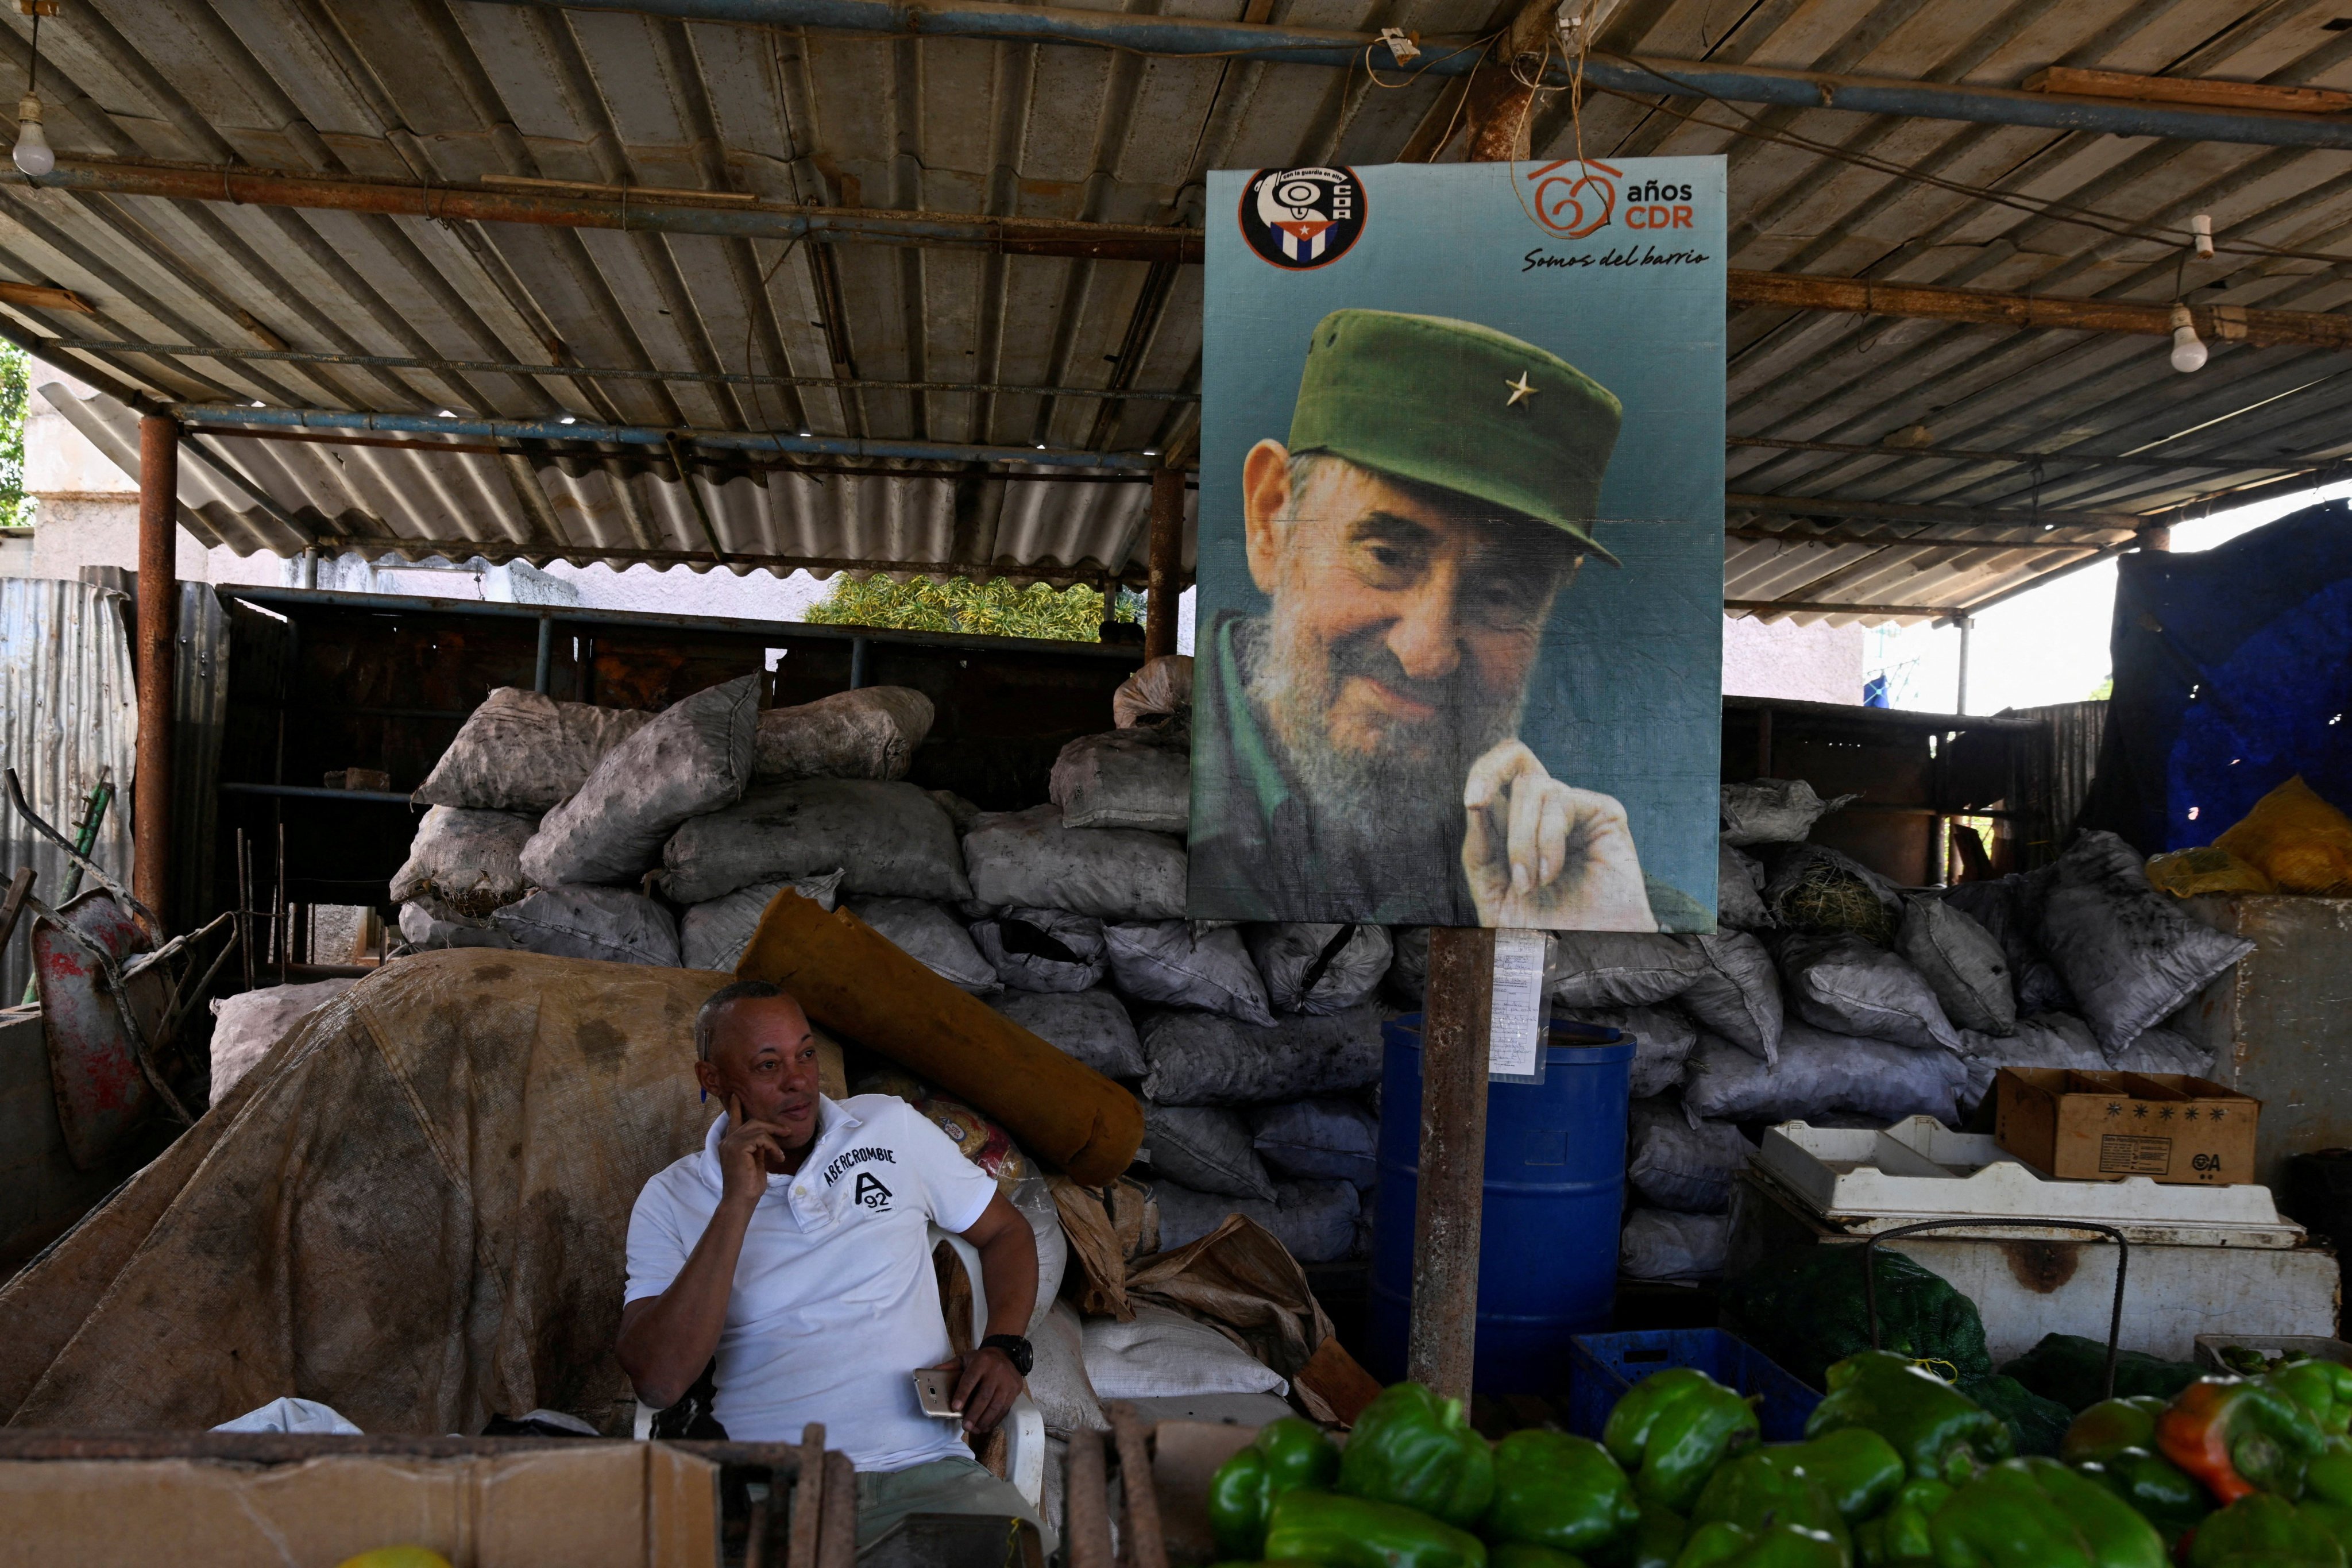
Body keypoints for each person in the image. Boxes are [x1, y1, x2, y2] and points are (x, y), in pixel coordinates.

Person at [1190, 307, 1708, 931]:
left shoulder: (1614, 902)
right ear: (1272, 520)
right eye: (1386, 556)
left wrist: (1585, 942)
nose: (1427, 653)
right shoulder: (1134, 807)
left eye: (1499, 594)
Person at [618, 979, 1051, 1554]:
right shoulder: (672, 1197)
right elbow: (659, 1379)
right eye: (768, 1065)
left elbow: (1006, 1232)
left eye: (805, 1054)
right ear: (714, 1081)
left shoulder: (888, 1129)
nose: (798, 1080)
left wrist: (1004, 1347)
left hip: (929, 1475)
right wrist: (737, 1204)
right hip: (771, 1493)